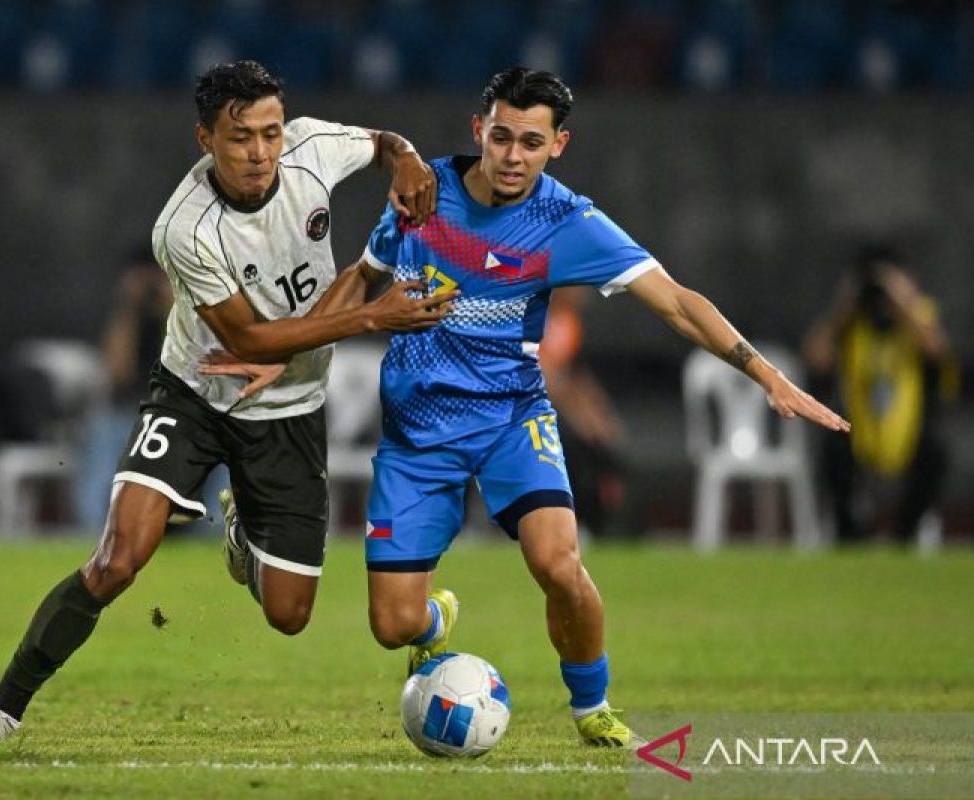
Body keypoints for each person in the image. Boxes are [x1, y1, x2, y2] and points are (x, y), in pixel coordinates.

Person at [0, 60, 449, 742]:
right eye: (241, 136)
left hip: (291, 410)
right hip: (195, 394)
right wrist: (370, 316)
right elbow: (248, 337)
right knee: (116, 561)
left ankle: (243, 531)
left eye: (270, 132)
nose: (261, 152)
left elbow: (385, 143)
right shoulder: (184, 228)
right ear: (204, 139)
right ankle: (1, 708)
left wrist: (409, 159)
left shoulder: (311, 147)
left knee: (289, 614)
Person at [350, 67, 850, 748]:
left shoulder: (566, 221)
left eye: (531, 142)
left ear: (559, 145)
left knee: (559, 565)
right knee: (392, 627)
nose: (513, 156)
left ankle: (592, 707)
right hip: (417, 433)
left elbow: (676, 301)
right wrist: (282, 354)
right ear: (479, 131)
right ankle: (433, 622)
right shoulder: (422, 193)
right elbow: (362, 277)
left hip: (510, 421)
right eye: (501, 137)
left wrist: (764, 373)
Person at [802, 245, 956, 544]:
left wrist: (903, 302)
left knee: (937, 451)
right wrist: (843, 306)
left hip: (909, 429)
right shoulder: (851, 323)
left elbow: (937, 351)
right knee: (832, 446)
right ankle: (850, 533)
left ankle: (904, 533)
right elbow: (814, 357)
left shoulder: (918, 315)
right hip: (860, 427)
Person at [75, 248, 174, 531]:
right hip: (127, 411)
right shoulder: (126, 317)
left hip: (178, 412)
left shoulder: (185, 313)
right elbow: (118, 370)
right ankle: (92, 535)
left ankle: (211, 538)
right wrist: (129, 308)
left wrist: (173, 308)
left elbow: (188, 363)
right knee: (106, 439)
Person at [538, 286, 632, 538]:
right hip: (528, 406)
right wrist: (582, 419)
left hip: (557, 405)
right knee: (570, 443)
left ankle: (604, 521)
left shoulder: (569, 323)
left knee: (608, 450)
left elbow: (574, 375)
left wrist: (601, 416)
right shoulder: (534, 316)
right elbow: (545, 377)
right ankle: (569, 521)